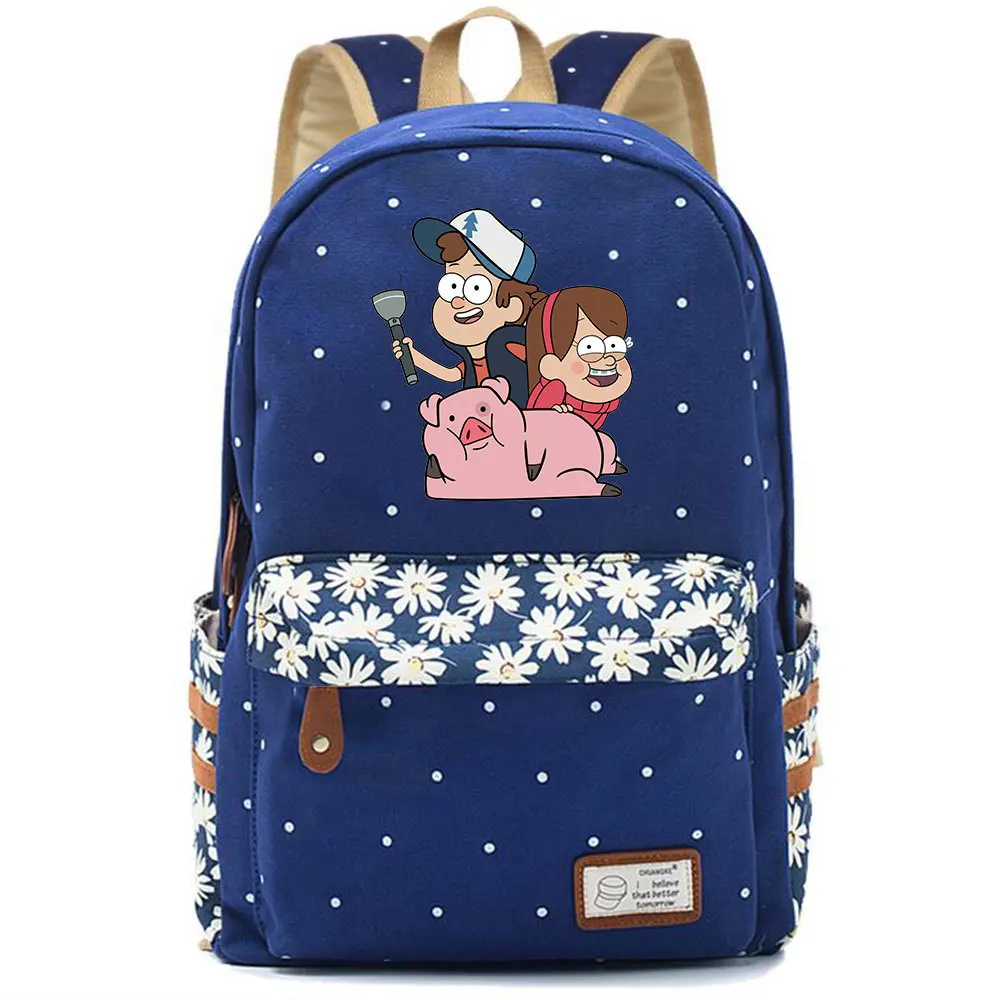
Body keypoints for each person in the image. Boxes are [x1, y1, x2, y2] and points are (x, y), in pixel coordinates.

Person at [392, 209, 545, 408]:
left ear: (513, 305)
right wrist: (415, 358)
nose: (458, 302)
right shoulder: (473, 358)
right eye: (452, 286)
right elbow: (451, 375)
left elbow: (544, 369)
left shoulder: (513, 347)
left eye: (476, 288)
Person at [524, 286, 632, 432]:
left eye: (614, 347)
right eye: (590, 348)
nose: (609, 360)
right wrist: (551, 415)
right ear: (551, 365)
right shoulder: (554, 391)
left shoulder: (602, 406)